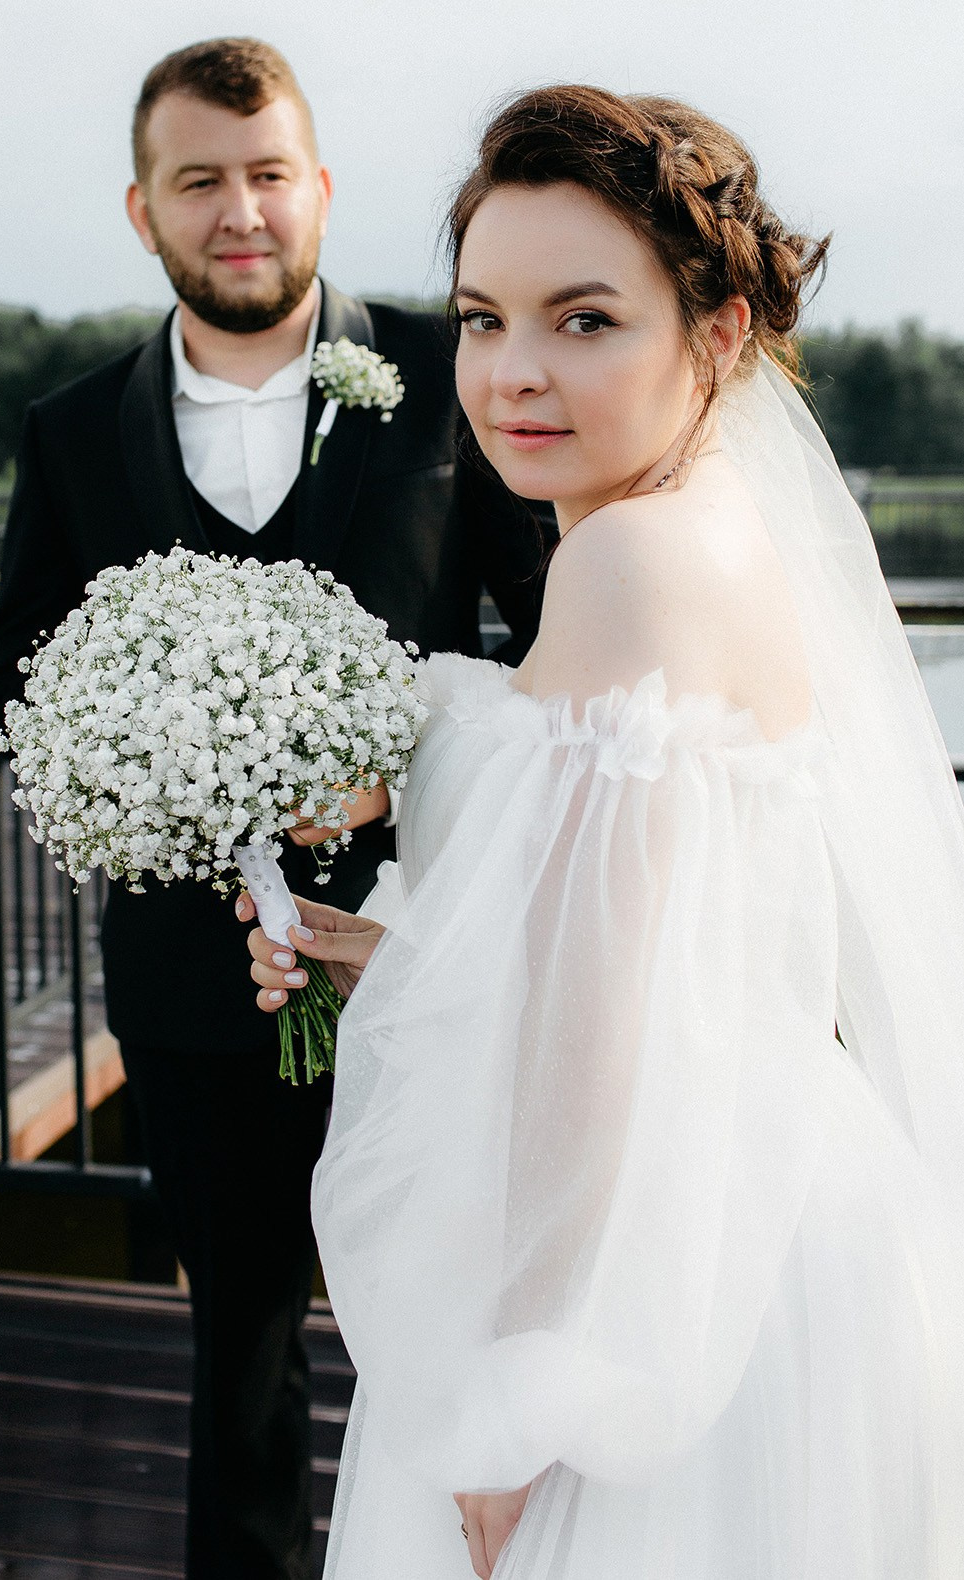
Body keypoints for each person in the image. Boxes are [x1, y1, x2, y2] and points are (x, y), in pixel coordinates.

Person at [246, 87, 964, 1578]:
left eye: (583, 320)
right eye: (481, 319)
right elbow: (645, 942)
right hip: (757, 1203)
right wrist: (390, 958)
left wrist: (520, 1386)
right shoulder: (702, 524)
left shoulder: (632, 560)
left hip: (661, 1271)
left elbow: (602, 1032)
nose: (514, 371)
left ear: (717, 335)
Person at [0, 38, 552, 1580]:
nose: (239, 211)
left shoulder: (453, 375)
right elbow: (13, 684)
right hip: (185, 988)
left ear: (318, 188)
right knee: (237, 1345)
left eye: (267, 174)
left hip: (431, 955)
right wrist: (167, 771)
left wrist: (405, 768)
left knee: (469, 1321)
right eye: (199, 181)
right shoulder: (70, 428)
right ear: (143, 207)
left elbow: (556, 649)